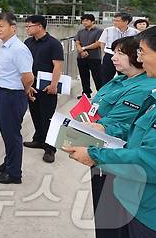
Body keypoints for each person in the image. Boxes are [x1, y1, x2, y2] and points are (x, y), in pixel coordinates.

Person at [64, 27, 156, 237]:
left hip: (144, 203)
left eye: (142, 52)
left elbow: (149, 159)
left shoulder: (144, 89)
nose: (140, 57)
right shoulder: (122, 80)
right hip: (129, 183)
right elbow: (132, 132)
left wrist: (94, 155)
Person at [0, 12, 35, 184]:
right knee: (7, 133)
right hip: (3, 92)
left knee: (12, 134)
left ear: (13, 28)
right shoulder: (5, 45)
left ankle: (14, 174)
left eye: (1, 26)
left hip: (12, 95)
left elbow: (28, 77)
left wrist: (25, 90)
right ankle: (8, 164)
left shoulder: (19, 49)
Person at [23, 15, 64, 163]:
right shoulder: (28, 42)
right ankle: (39, 139)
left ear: (40, 26)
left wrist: (54, 84)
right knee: (35, 113)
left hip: (47, 87)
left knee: (47, 117)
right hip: (32, 85)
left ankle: (50, 148)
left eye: (29, 26)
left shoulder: (54, 44)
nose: (27, 28)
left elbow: (58, 65)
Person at [90, 12, 138, 87]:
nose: (115, 22)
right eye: (114, 20)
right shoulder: (108, 30)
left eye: (117, 21)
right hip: (110, 55)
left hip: (126, 57)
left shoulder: (135, 32)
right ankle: (104, 95)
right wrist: (103, 55)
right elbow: (102, 43)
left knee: (126, 77)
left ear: (126, 22)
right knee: (106, 78)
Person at [75, 13, 104, 99]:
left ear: (93, 21)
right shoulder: (80, 32)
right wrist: (81, 50)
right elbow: (77, 42)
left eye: (86, 20)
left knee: (97, 77)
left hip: (95, 57)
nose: (84, 22)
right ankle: (86, 93)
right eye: (83, 21)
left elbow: (98, 43)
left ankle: (100, 94)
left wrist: (84, 48)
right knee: (84, 76)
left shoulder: (99, 31)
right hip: (81, 57)